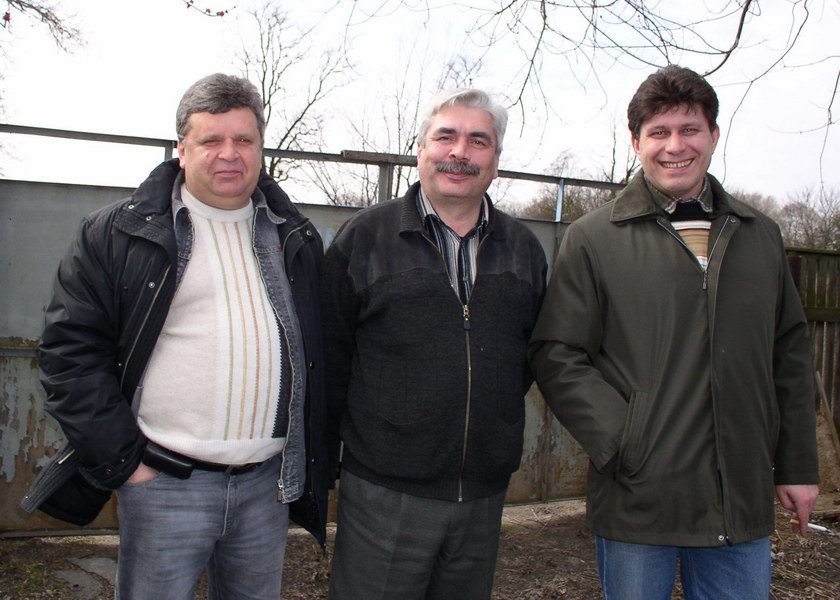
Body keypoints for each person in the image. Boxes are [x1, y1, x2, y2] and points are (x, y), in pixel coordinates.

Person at [23, 73, 331, 600]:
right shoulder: (117, 233)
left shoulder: (294, 236)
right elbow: (69, 355)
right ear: (182, 150)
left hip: (268, 486)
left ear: (261, 148)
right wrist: (129, 465)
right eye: (211, 140)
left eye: (244, 139)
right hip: (164, 484)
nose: (229, 153)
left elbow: (323, 353)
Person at [528, 65, 820, 599]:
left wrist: (797, 465)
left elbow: (790, 355)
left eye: (690, 129)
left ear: (714, 135)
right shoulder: (595, 238)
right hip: (640, 499)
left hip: (740, 499)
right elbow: (557, 352)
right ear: (636, 141)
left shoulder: (760, 235)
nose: (675, 146)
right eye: (658, 132)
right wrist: (624, 441)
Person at [321, 88, 547, 599]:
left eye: (478, 141)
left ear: (496, 160)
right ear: (420, 149)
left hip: (483, 496)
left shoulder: (524, 249)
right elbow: (331, 358)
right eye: (446, 136)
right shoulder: (365, 239)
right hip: (385, 493)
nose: (460, 152)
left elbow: (526, 356)